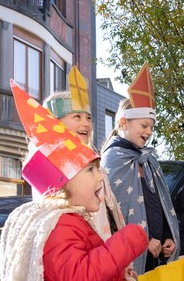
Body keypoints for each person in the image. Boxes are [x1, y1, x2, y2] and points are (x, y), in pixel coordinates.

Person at [0, 81, 148, 281]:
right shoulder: (57, 218)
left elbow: (84, 257)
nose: (100, 177)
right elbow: (74, 273)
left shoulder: (76, 205)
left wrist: (114, 279)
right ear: (63, 185)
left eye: (89, 116)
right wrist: (128, 240)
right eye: (76, 115)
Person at [101, 63, 180, 274]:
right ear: (124, 123)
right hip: (133, 256)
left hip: (157, 255)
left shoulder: (148, 159)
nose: (149, 132)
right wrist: (143, 242)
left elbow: (160, 204)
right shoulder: (113, 160)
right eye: (144, 125)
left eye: (152, 127)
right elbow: (111, 216)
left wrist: (167, 236)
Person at [42, 66, 125, 240]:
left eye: (88, 117)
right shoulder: (50, 165)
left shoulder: (92, 161)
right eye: (77, 117)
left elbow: (111, 211)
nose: (86, 123)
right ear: (56, 124)